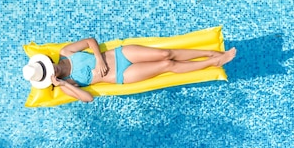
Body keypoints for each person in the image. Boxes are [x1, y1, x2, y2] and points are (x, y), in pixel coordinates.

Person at [23, 38, 236, 102]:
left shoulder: (66, 52)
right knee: (166, 66)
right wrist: (61, 84)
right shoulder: (67, 84)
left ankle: (209, 53)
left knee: (165, 54)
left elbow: (90, 41)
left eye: (45, 69)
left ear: (46, 63)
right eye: (47, 76)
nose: (51, 72)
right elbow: (87, 99)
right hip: (122, 76)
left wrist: (99, 59)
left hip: (118, 55)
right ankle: (214, 62)